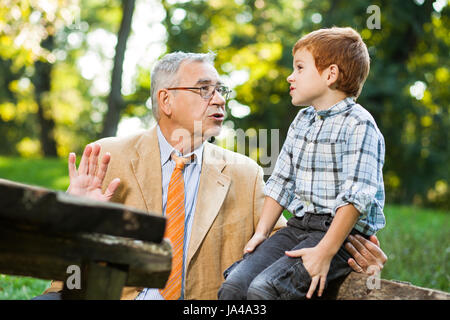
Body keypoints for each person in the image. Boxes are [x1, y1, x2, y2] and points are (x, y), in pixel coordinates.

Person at [35, 50, 386, 300]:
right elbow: (63, 270)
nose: (218, 99)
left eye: (220, 90)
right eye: (204, 89)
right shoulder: (108, 156)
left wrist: (349, 247)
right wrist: (74, 213)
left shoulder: (245, 174)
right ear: (166, 101)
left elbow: (290, 247)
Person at [218, 27, 386, 300]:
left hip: (338, 236)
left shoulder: (360, 124)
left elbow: (356, 198)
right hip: (298, 226)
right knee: (235, 287)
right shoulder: (303, 120)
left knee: (265, 290)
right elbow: (282, 181)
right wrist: (261, 233)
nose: (290, 76)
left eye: (299, 68)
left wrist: (325, 252)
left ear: (330, 74)